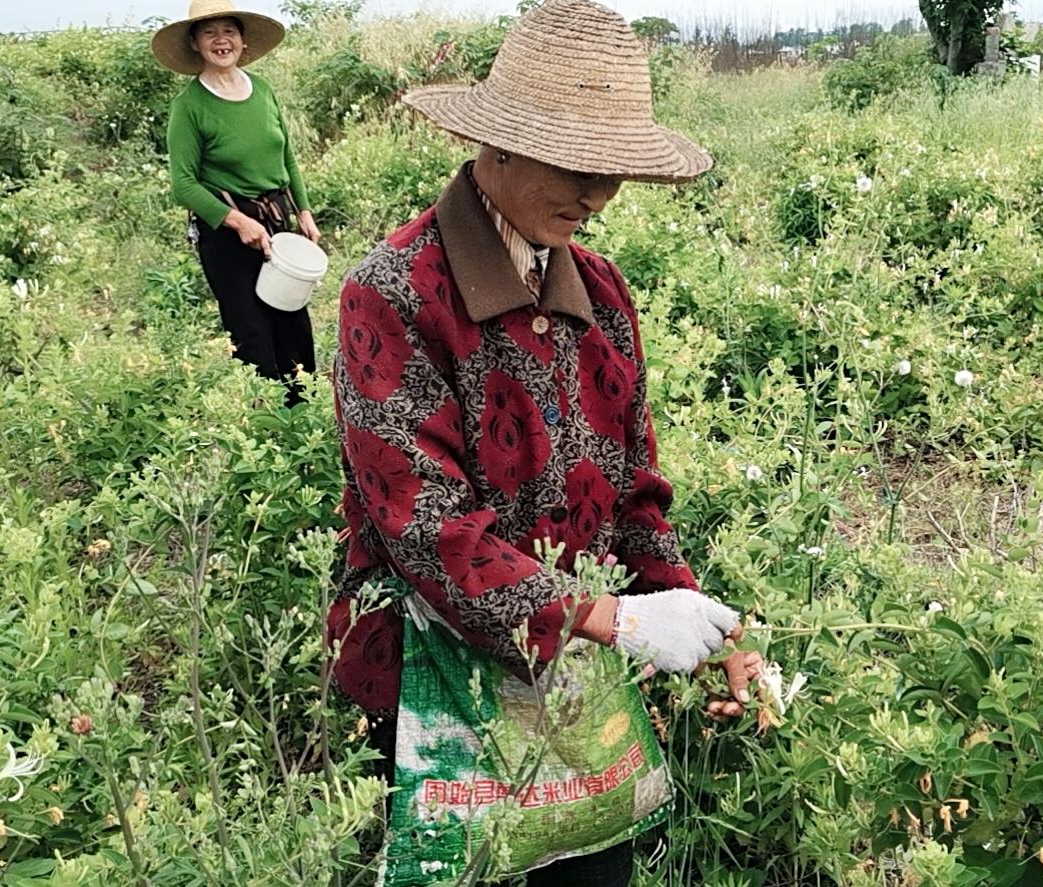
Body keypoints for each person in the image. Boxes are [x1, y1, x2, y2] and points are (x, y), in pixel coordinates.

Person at [324, 1, 762, 882]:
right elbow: (424, 528)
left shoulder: (601, 292)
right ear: (499, 145)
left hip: (578, 668)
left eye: (613, 173)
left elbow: (635, 491)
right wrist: (619, 618)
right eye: (575, 165)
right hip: (428, 670)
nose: (596, 195)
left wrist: (707, 628)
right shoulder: (393, 294)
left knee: (591, 863)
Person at [156, 0, 319, 404]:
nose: (221, 40)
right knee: (252, 332)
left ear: (243, 41)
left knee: (293, 322)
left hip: (277, 221)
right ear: (195, 43)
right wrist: (237, 222)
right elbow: (183, 184)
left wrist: (303, 211)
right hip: (227, 235)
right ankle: (267, 428)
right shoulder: (189, 107)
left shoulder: (262, 90)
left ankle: (305, 416)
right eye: (209, 32)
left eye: (228, 30)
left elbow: (287, 158)